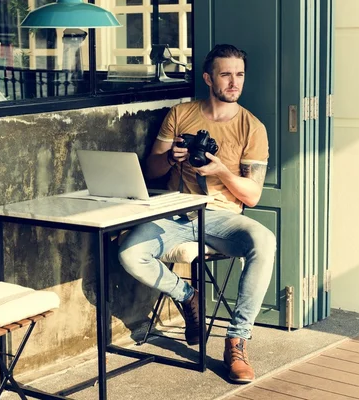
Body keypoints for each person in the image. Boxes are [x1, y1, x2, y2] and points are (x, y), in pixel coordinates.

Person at [118, 44, 276, 384]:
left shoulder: (252, 128)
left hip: (220, 216)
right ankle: (187, 296)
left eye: (240, 75)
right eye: (226, 74)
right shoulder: (180, 114)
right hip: (175, 209)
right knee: (129, 253)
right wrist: (172, 158)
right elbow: (151, 171)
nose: (234, 83)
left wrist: (220, 170)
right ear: (208, 78)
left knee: (264, 241)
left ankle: (237, 339)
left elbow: (252, 194)